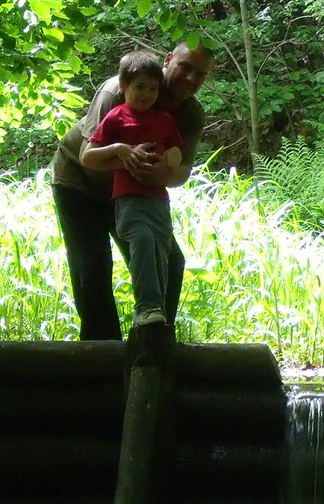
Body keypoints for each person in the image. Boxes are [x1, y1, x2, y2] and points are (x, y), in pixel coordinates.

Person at [50, 41, 214, 339]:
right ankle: (100, 357)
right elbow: (89, 157)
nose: (191, 78)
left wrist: (159, 175)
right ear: (168, 60)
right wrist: (131, 162)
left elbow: (181, 173)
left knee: (168, 260)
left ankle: (152, 344)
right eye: (185, 67)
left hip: (132, 193)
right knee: (93, 267)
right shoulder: (118, 89)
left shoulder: (191, 114)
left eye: (200, 75)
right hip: (78, 182)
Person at [78, 51, 184, 327]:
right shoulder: (115, 117)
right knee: (143, 241)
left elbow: (176, 148)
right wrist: (119, 150)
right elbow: (87, 156)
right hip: (128, 198)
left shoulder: (164, 120)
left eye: (153, 88)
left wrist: (173, 154)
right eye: (139, 87)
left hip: (159, 200)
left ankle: (156, 314)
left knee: (161, 247)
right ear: (123, 86)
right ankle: (147, 306)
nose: (147, 94)